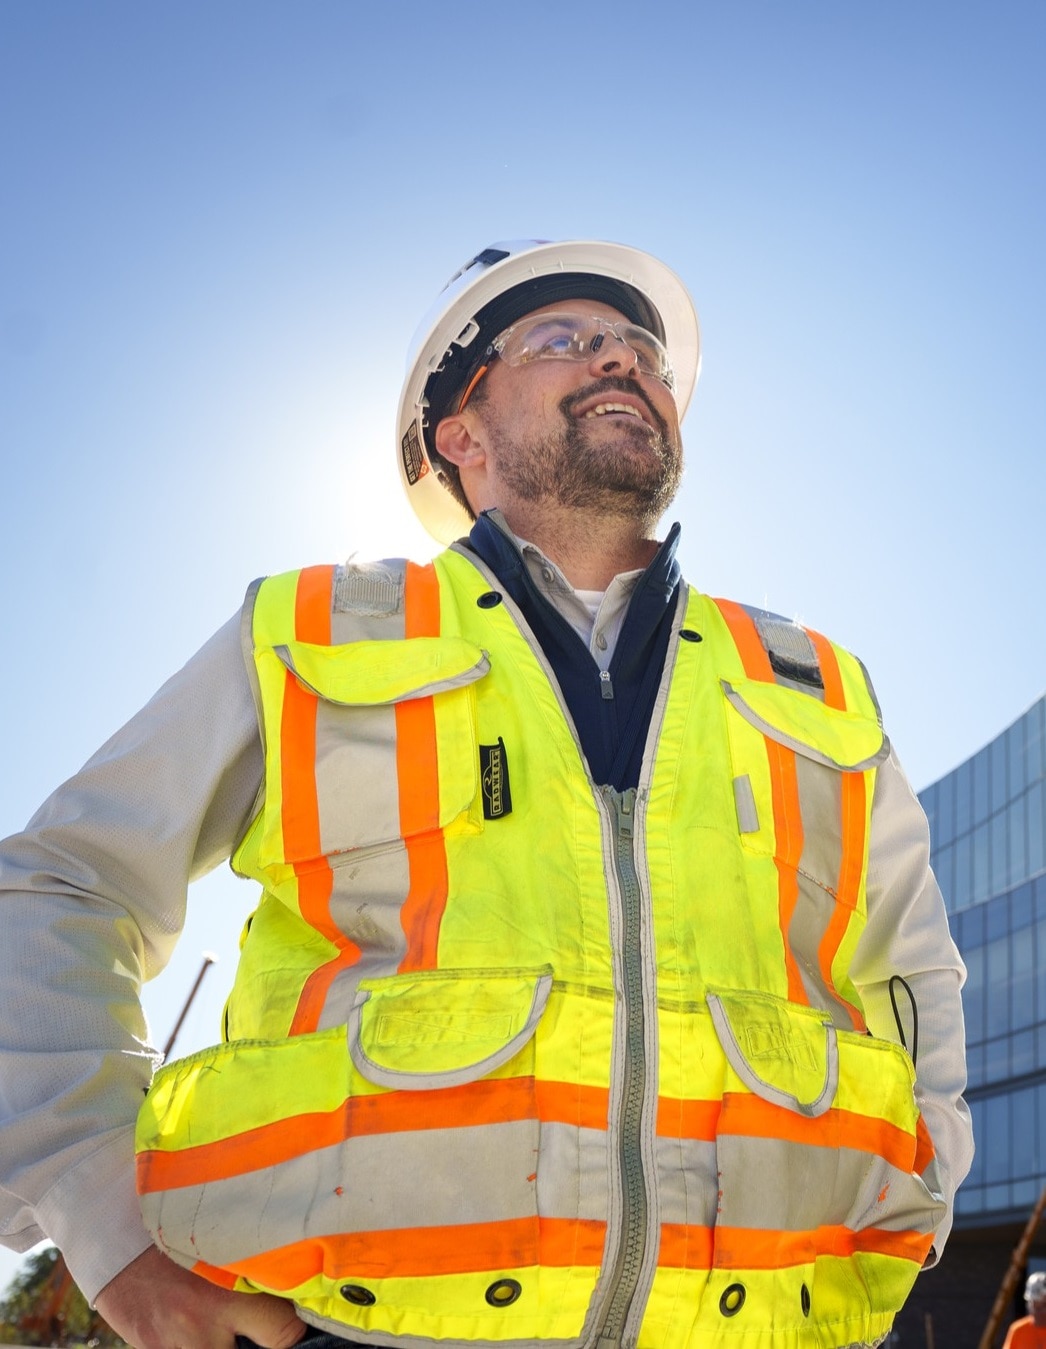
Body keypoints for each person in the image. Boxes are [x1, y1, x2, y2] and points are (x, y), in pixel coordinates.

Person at [0, 239, 974, 1349]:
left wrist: (919, 1203)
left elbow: (910, 971)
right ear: (456, 435)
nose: (619, 360)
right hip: (363, 1327)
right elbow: (59, 884)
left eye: (638, 349)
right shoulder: (311, 630)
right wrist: (102, 1219)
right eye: (561, 341)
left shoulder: (808, 679)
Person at [1002, 1273, 1046, 1349]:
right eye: (1036, 1305)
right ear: (1029, 1304)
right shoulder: (1018, 1330)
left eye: (1044, 1304)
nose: (1042, 1311)